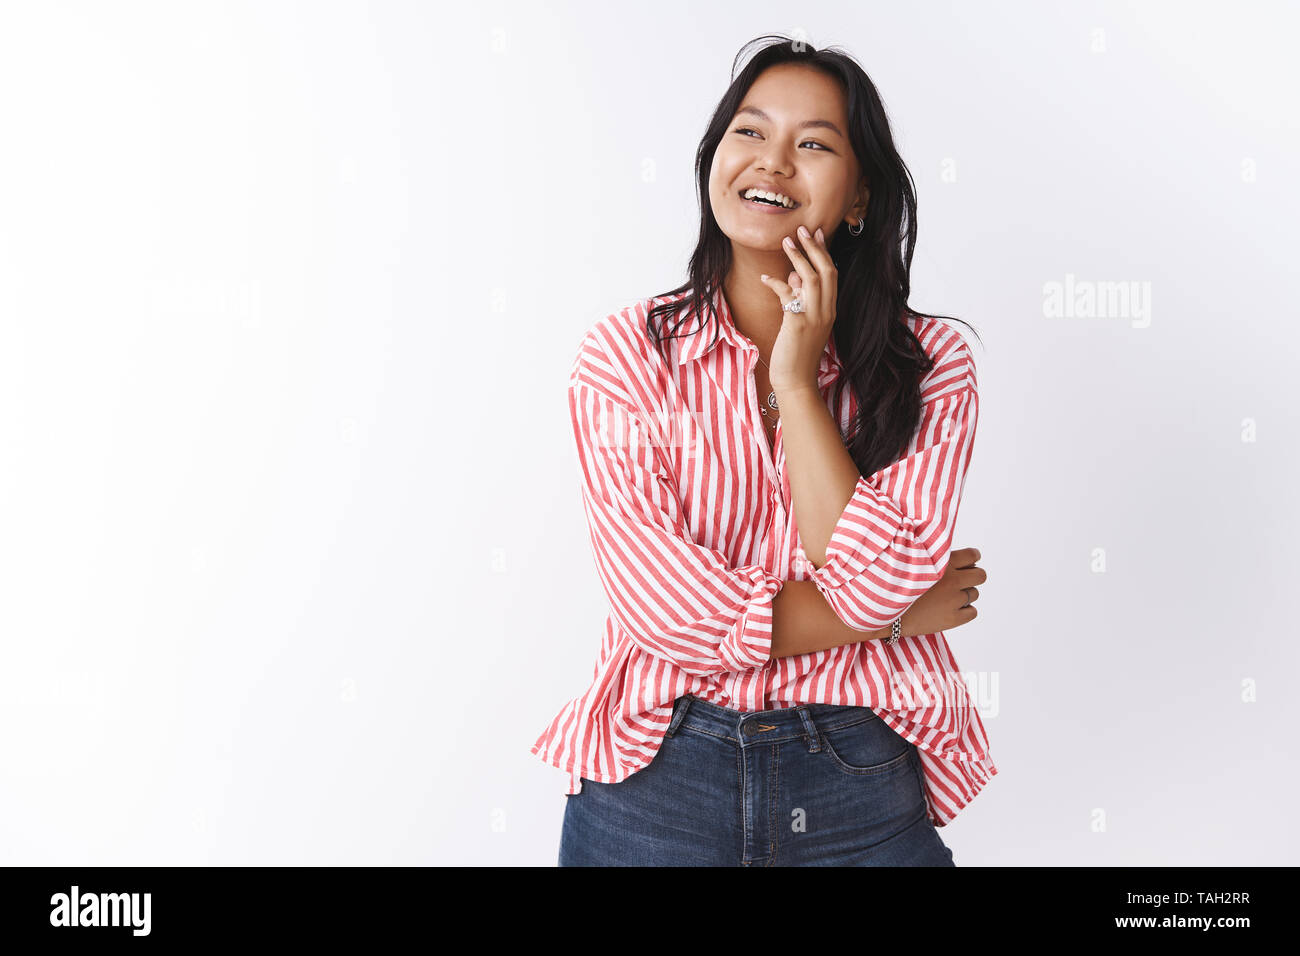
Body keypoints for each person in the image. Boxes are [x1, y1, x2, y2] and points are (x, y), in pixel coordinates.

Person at [532, 35, 996, 866]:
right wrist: (890, 622)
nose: (773, 162)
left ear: (857, 199)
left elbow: (876, 578)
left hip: (858, 773)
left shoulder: (932, 364)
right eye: (750, 132)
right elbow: (663, 611)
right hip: (655, 780)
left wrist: (797, 381)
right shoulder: (623, 358)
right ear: (715, 159)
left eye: (814, 144)